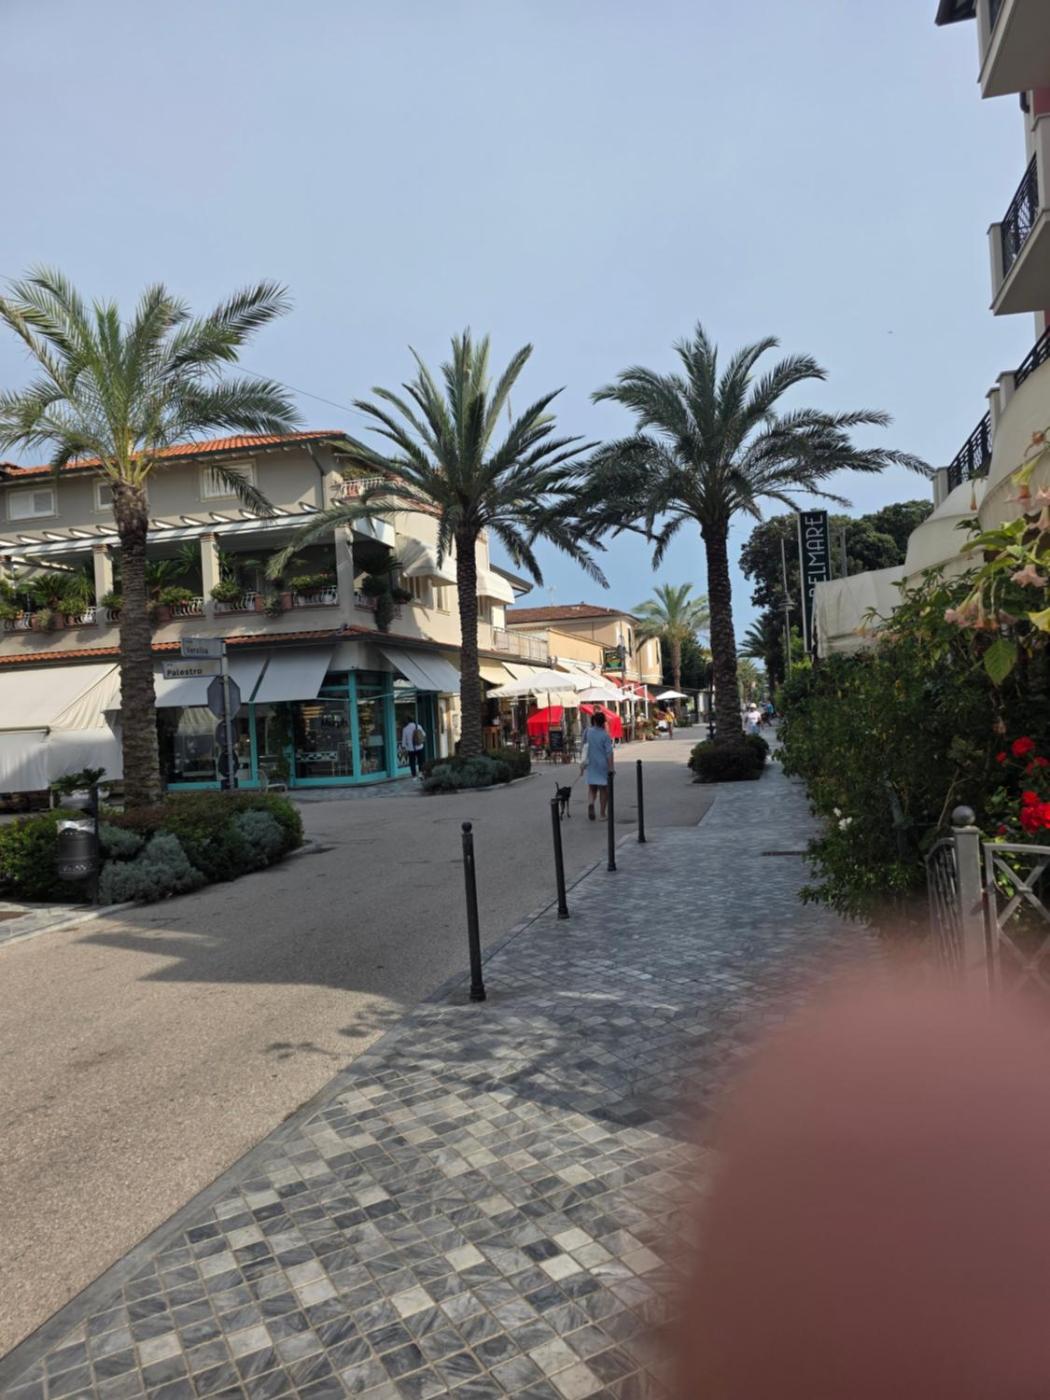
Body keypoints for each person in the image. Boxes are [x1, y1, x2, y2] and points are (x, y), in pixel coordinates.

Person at [581, 708, 614, 820]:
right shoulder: (605, 735)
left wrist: (582, 764)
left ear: (594, 721)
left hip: (591, 764)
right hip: (602, 765)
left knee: (592, 788)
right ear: (603, 722)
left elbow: (583, 747)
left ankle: (591, 803)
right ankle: (602, 814)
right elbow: (609, 753)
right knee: (604, 790)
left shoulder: (587, 732)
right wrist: (611, 768)